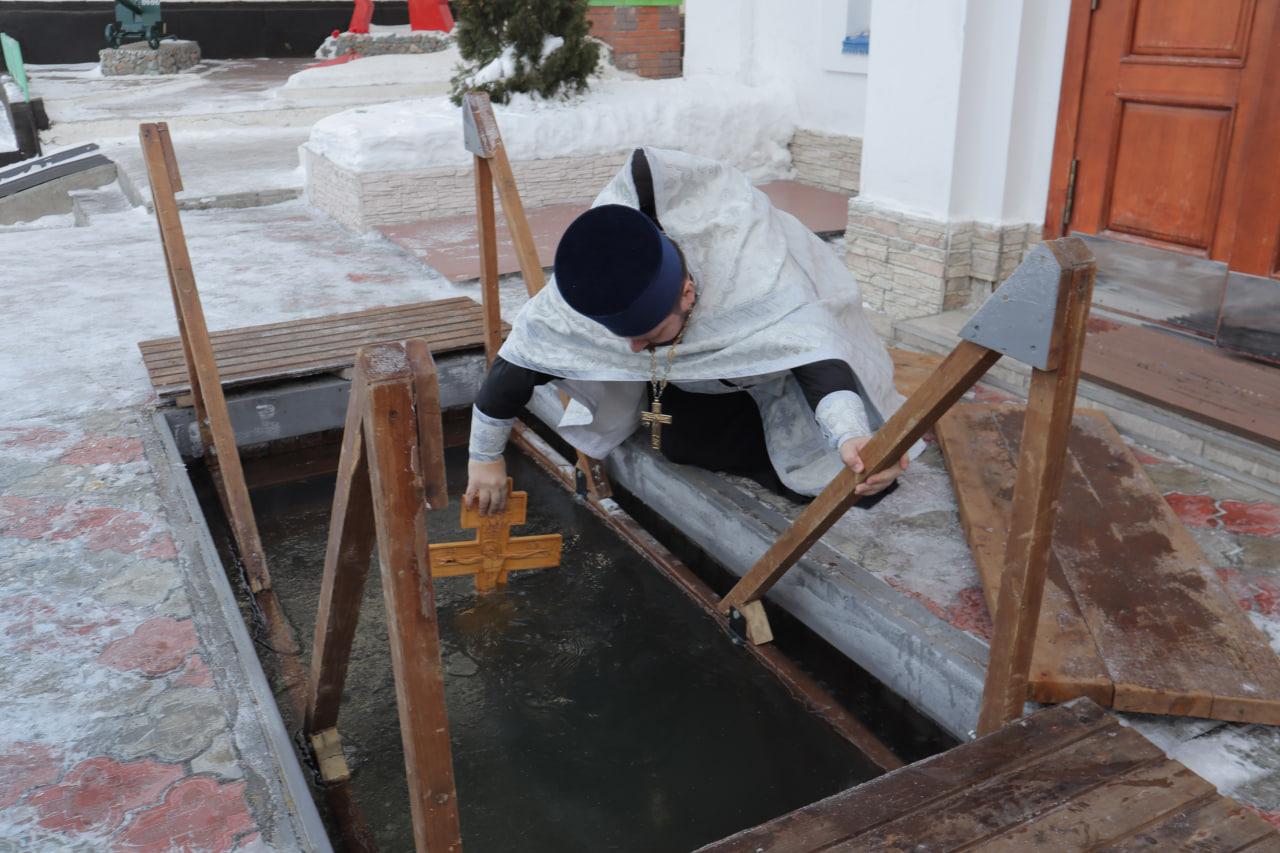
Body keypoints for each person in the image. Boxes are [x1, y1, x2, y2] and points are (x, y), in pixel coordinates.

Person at [464, 147, 917, 515]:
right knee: (683, 445)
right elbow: (518, 363)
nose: (634, 349)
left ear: (686, 292)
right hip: (688, 390)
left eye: (650, 332)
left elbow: (815, 355)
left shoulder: (753, 269)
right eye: (625, 337)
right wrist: (483, 457)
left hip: (769, 379)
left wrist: (851, 435)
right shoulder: (595, 271)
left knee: (846, 484)